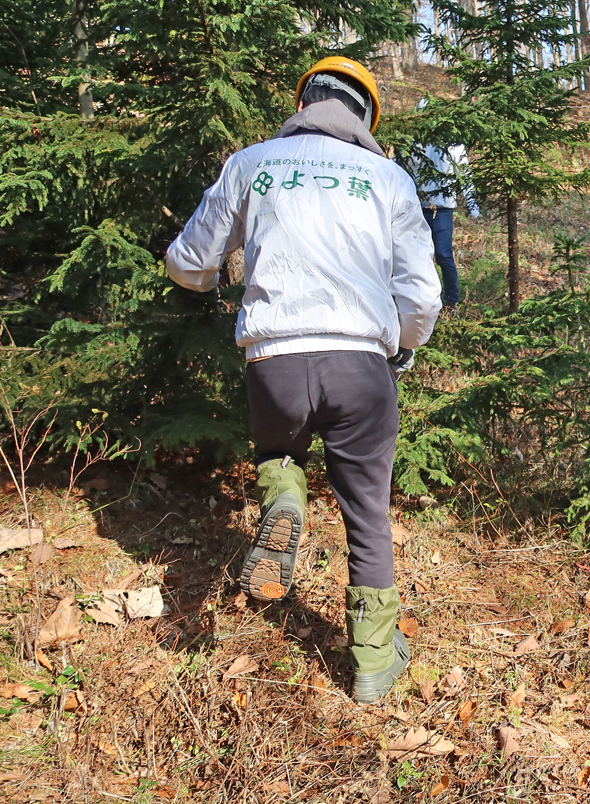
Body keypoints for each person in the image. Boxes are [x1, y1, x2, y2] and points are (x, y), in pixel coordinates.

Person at [165, 56, 442, 704]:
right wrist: (401, 345)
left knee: (278, 450)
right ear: (367, 114)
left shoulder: (253, 162)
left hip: (276, 359)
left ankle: (283, 501)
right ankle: (373, 664)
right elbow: (423, 297)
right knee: (368, 511)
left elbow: (189, 260)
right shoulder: (390, 179)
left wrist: (207, 282)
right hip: (361, 366)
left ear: (303, 104)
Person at [403, 101, 480, 308]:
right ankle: (421, 300)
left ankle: (451, 302)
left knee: (443, 255)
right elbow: (398, 167)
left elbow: (464, 175)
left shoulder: (454, 145)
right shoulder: (412, 143)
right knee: (417, 256)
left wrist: (473, 207)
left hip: (443, 208)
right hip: (417, 208)